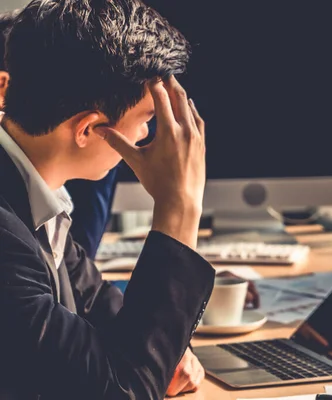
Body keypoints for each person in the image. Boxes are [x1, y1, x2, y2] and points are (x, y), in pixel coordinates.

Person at [0, 0, 215, 398]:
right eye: (147, 120)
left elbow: (107, 319)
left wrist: (159, 355)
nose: (147, 137)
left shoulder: (35, 198)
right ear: (91, 129)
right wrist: (179, 208)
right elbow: (123, 389)